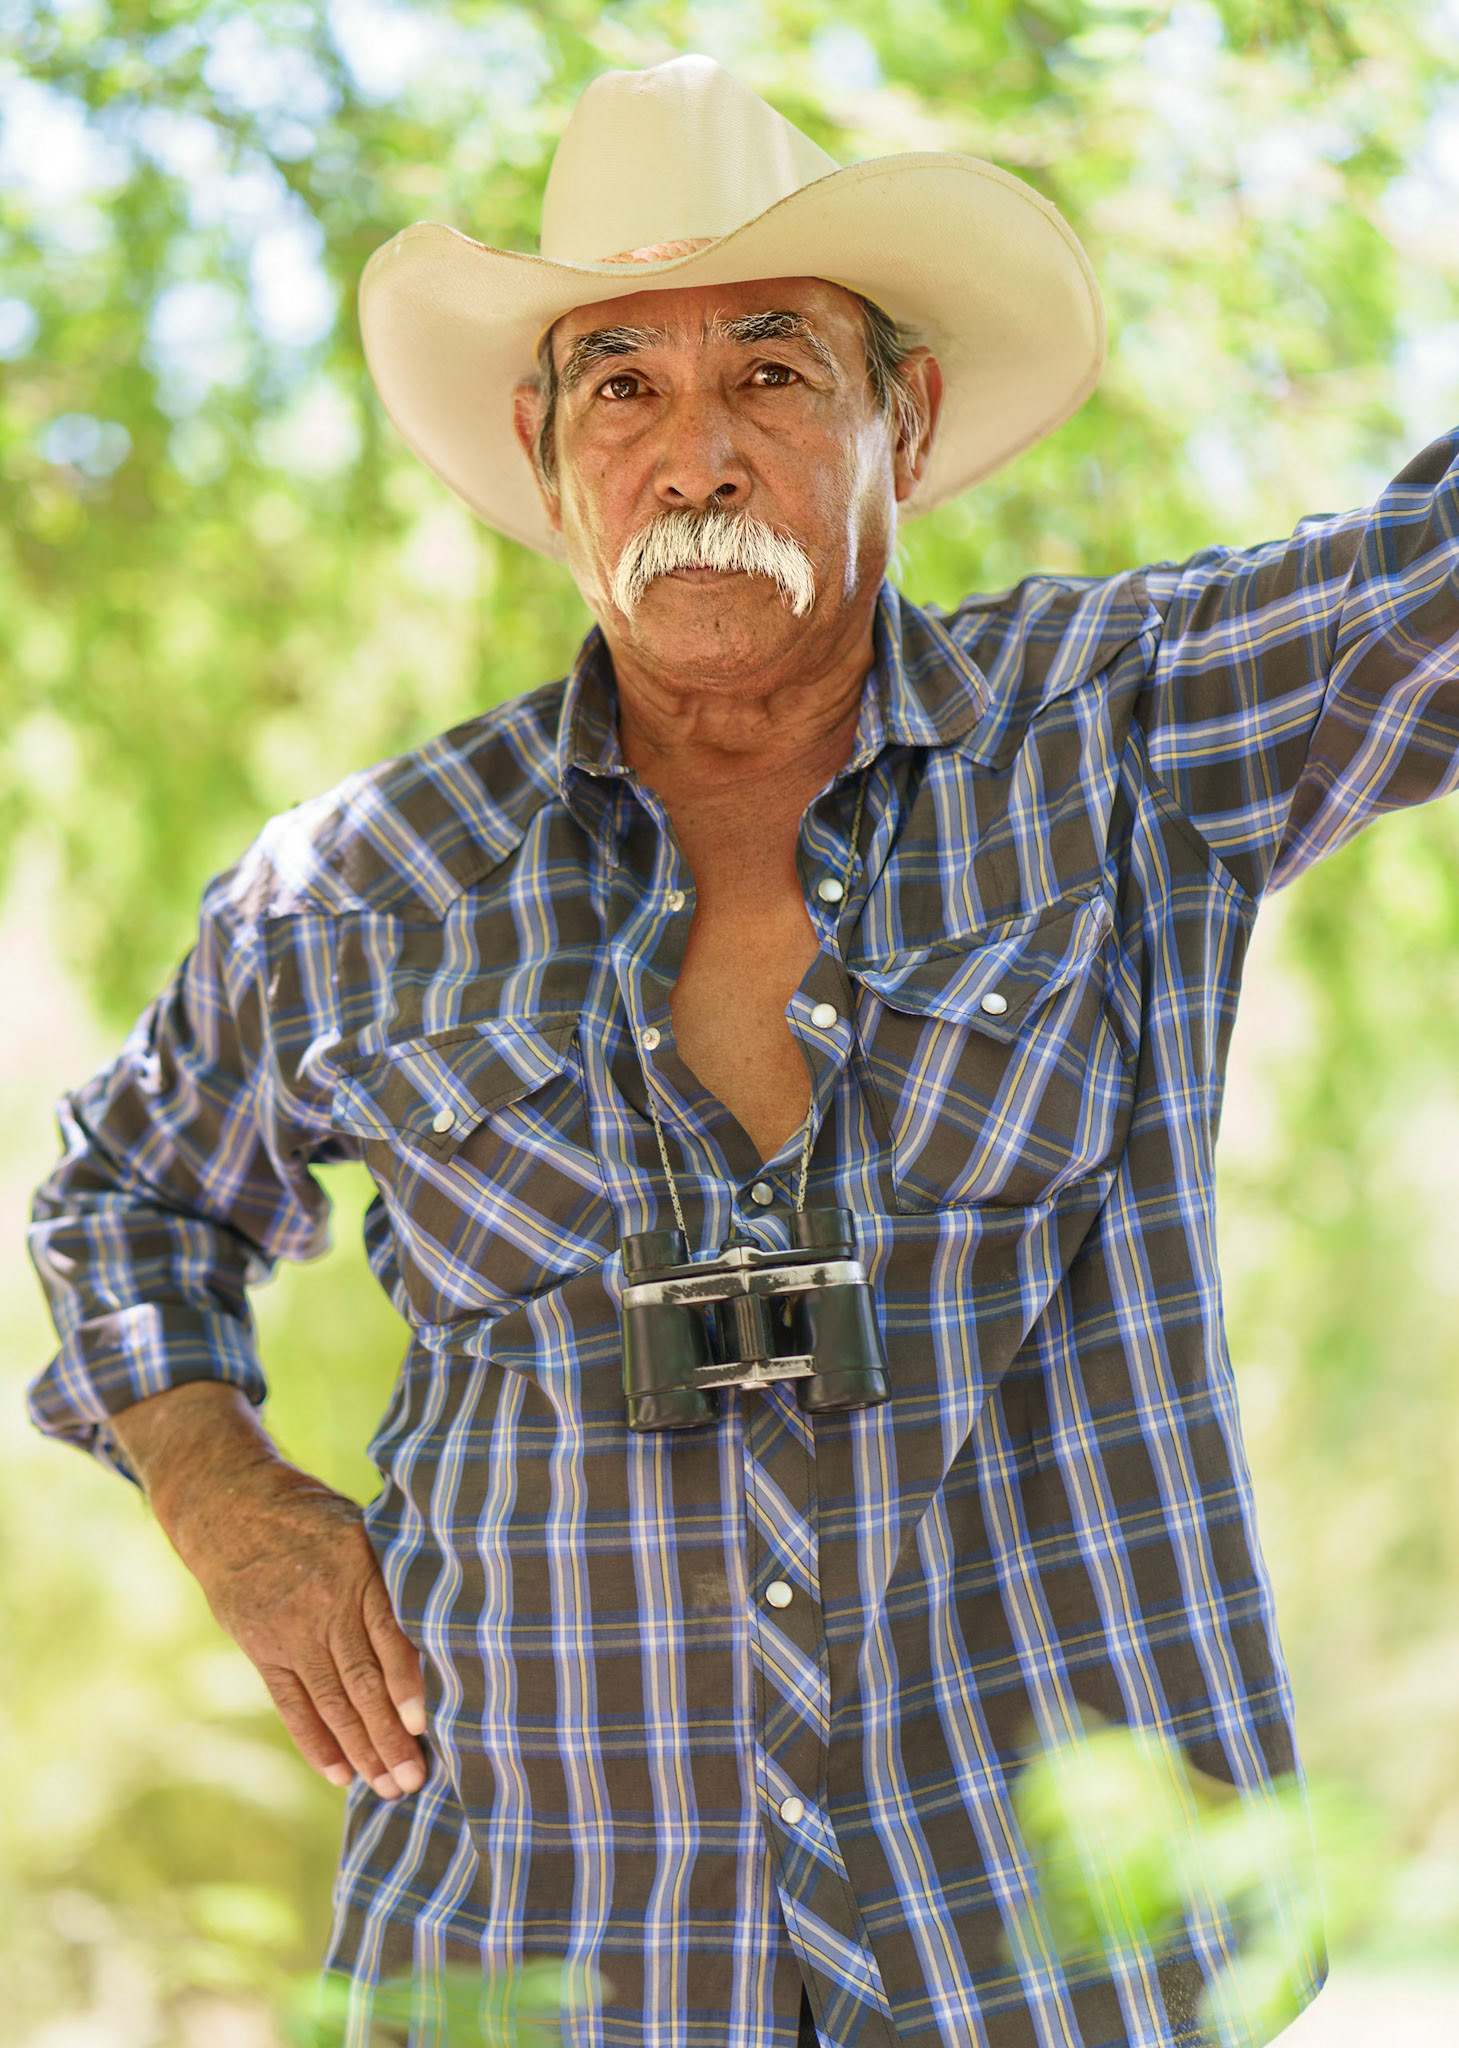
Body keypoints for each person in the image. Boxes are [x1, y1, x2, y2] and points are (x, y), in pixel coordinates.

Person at [25, 51, 1459, 2048]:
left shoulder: (1124, 729)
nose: (694, 455)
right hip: (533, 1955)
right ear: (546, 455)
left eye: (771, 372)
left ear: (903, 418)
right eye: (623, 386)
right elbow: (122, 1200)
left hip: (1044, 1971)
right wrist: (222, 1499)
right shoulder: (359, 887)